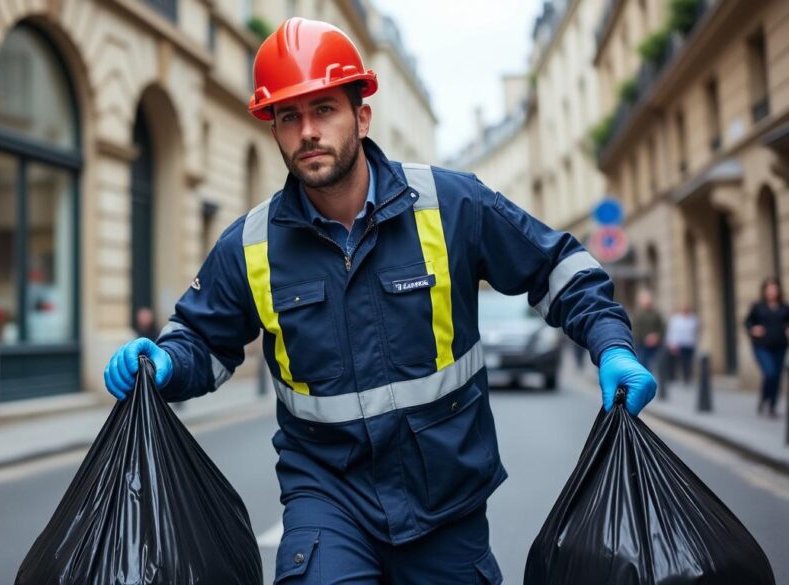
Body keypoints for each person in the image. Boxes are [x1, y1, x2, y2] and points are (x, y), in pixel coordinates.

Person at [103, 18, 656, 583]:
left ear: (361, 116)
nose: (307, 131)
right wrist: (165, 362)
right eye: (288, 116)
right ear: (273, 129)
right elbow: (203, 340)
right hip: (327, 500)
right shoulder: (250, 244)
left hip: (448, 503)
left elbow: (556, 265)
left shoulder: (450, 203)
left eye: (324, 110)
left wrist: (612, 346)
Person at [744, 277, 789, 418]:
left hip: (780, 346)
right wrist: (753, 328)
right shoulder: (757, 307)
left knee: (776, 377)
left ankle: (772, 407)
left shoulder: (785, 308)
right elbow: (747, 322)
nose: (772, 291)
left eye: (774, 288)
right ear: (764, 291)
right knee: (770, 373)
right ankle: (764, 398)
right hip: (762, 346)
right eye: (769, 288)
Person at [631, 289, 665, 374]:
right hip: (642, 344)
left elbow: (661, 328)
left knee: (656, 363)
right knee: (643, 363)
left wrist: (656, 337)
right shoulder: (637, 315)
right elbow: (635, 329)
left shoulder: (656, 314)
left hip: (655, 344)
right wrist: (645, 339)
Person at [665, 304, 699, 383]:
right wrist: (672, 343)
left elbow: (696, 331)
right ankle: (684, 376)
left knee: (689, 361)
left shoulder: (693, 319)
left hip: (690, 343)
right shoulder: (676, 319)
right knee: (682, 361)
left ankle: (687, 376)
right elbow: (672, 332)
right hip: (680, 343)